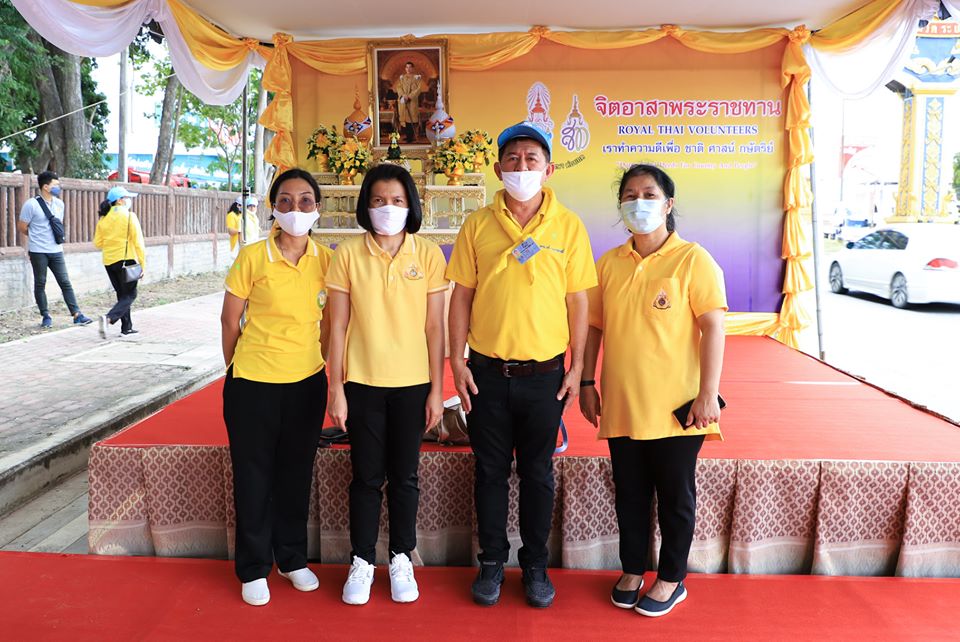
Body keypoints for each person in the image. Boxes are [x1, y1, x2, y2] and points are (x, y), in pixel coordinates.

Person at [446, 121, 597, 608]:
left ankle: (535, 565)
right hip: (486, 374)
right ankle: (492, 561)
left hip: (545, 377)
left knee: (537, 473)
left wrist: (576, 368)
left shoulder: (568, 226)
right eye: (513, 159)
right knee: (489, 471)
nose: (522, 167)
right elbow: (461, 296)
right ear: (498, 168)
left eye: (532, 159)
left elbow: (578, 301)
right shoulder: (477, 224)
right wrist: (457, 361)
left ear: (548, 170)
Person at [578, 164, 727, 618]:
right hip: (623, 402)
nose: (638, 203)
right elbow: (594, 328)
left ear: (668, 204)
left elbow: (713, 326)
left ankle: (672, 578)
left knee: (675, 496)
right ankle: (631, 570)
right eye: (629, 195)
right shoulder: (608, 264)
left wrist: (708, 392)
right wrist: (586, 381)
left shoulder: (693, 259)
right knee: (630, 493)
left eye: (648, 194)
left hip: (676, 407)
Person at [325, 163, 447, 606]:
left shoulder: (428, 254)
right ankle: (361, 560)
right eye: (378, 200)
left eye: (397, 200)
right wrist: (336, 388)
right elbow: (338, 326)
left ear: (411, 205)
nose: (388, 208)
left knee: (405, 476)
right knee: (366, 476)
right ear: (366, 205)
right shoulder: (347, 254)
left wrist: (437, 389)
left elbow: (435, 328)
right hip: (362, 382)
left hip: (413, 384)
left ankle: (400, 557)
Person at [220, 168, 331, 607]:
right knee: (253, 476)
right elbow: (230, 319)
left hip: (306, 384)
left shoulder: (327, 260)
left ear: (318, 208)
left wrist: (320, 363)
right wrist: (237, 367)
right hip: (253, 384)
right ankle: (253, 567)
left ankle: (291, 558)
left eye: (305, 200)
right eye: (285, 200)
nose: (295, 209)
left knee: (295, 474)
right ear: (273, 207)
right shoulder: (252, 256)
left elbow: (329, 325)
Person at [17, 171, 93, 328]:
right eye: (55, 185)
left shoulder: (59, 204)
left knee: (65, 281)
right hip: (38, 251)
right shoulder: (31, 205)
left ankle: (77, 314)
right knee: (40, 282)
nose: (58, 187)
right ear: (45, 187)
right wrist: (36, 236)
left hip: (56, 250)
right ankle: (45, 315)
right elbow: (22, 227)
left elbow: (57, 225)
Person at [93, 186, 146, 338]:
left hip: (109, 261)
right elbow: (138, 242)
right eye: (126, 198)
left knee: (122, 294)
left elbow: (97, 243)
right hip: (126, 260)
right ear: (119, 200)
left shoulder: (103, 219)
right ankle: (109, 318)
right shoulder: (130, 217)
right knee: (130, 294)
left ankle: (126, 328)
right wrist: (142, 264)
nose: (129, 200)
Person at [395, 62, 422, 143]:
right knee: (405, 119)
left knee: (411, 119)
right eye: (407, 67)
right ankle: (408, 136)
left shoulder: (417, 78)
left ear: (413, 68)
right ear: (405, 68)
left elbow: (418, 89)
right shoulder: (402, 78)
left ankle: (411, 137)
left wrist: (409, 96)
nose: (408, 69)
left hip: (412, 101)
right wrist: (403, 95)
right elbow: (398, 87)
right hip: (403, 100)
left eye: (410, 67)